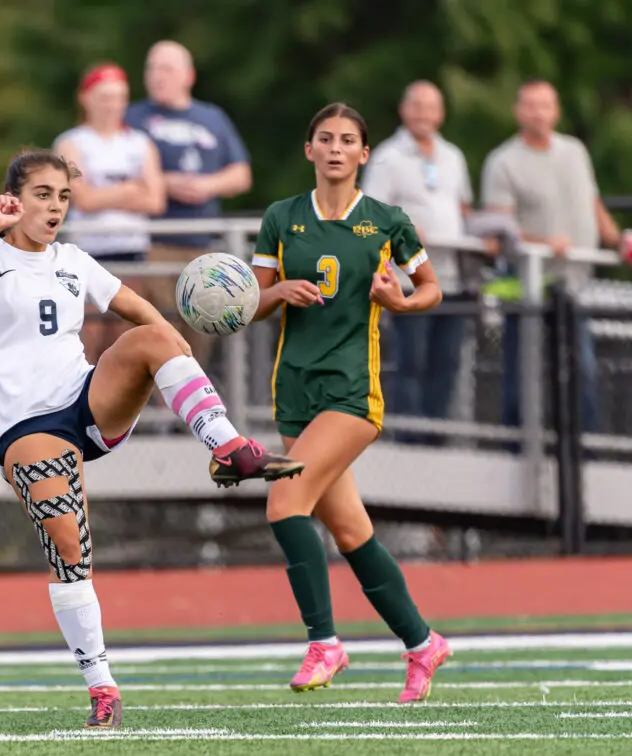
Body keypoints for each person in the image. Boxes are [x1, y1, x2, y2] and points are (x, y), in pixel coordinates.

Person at [0, 149, 303, 729]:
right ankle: (102, 687)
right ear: (13, 198)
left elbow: (142, 314)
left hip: (86, 399)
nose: (54, 207)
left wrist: (183, 335)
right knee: (71, 549)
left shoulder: (74, 259)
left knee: (154, 337)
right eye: (42, 194)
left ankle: (226, 447)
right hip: (26, 426)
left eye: (63, 197)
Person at [250, 103, 450, 704]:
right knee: (351, 531)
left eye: (348, 141)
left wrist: (400, 301)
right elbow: (249, 305)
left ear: (365, 154)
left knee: (285, 501)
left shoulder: (386, 221)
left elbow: (432, 289)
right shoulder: (281, 218)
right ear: (308, 149)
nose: (335, 148)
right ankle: (422, 643)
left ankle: (325, 642)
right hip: (295, 392)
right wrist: (276, 290)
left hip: (351, 394)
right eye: (324, 139)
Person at [481, 78, 623, 438]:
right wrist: (546, 242)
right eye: (530, 105)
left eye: (545, 105)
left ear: (556, 111)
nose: (538, 113)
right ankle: (515, 446)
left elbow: (591, 202)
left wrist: (617, 239)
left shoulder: (575, 150)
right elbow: (500, 228)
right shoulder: (503, 162)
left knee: (581, 372)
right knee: (523, 372)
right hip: (529, 283)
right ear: (518, 111)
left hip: (575, 284)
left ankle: (582, 452)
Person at [361, 80, 480, 444]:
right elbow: (370, 214)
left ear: (441, 114)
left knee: (446, 363)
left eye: (431, 107)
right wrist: (407, 232)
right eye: (417, 106)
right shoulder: (388, 156)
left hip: (450, 280)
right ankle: (409, 438)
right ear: (404, 110)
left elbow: (462, 207)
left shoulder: (453, 156)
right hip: (407, 281)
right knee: (410, 361)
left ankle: (438, 438)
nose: (424, 115)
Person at [125, 40, 252, 368]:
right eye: (151, 68)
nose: (157, 76)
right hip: (151, 245)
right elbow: (115, 176)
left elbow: (241, 174)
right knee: (158, 332)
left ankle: (192, 411)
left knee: (201, 334)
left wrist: (208, 185)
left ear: (188, 75)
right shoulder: (133, 118)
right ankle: (158, 415)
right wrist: (164, 183)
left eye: (166, 68)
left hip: (203, 247)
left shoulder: (212, 118)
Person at [53, 62, 165, 363]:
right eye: (104, 97)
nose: (112, 105)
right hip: (88, 252)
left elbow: (155, 200)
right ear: (86, 98)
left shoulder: (140, 143)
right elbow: (83, 199)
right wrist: (130, 190)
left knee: (124, 340)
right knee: (86, 338)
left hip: (130, 251)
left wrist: (106, 194)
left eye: (118, 97)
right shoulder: (71, 142)